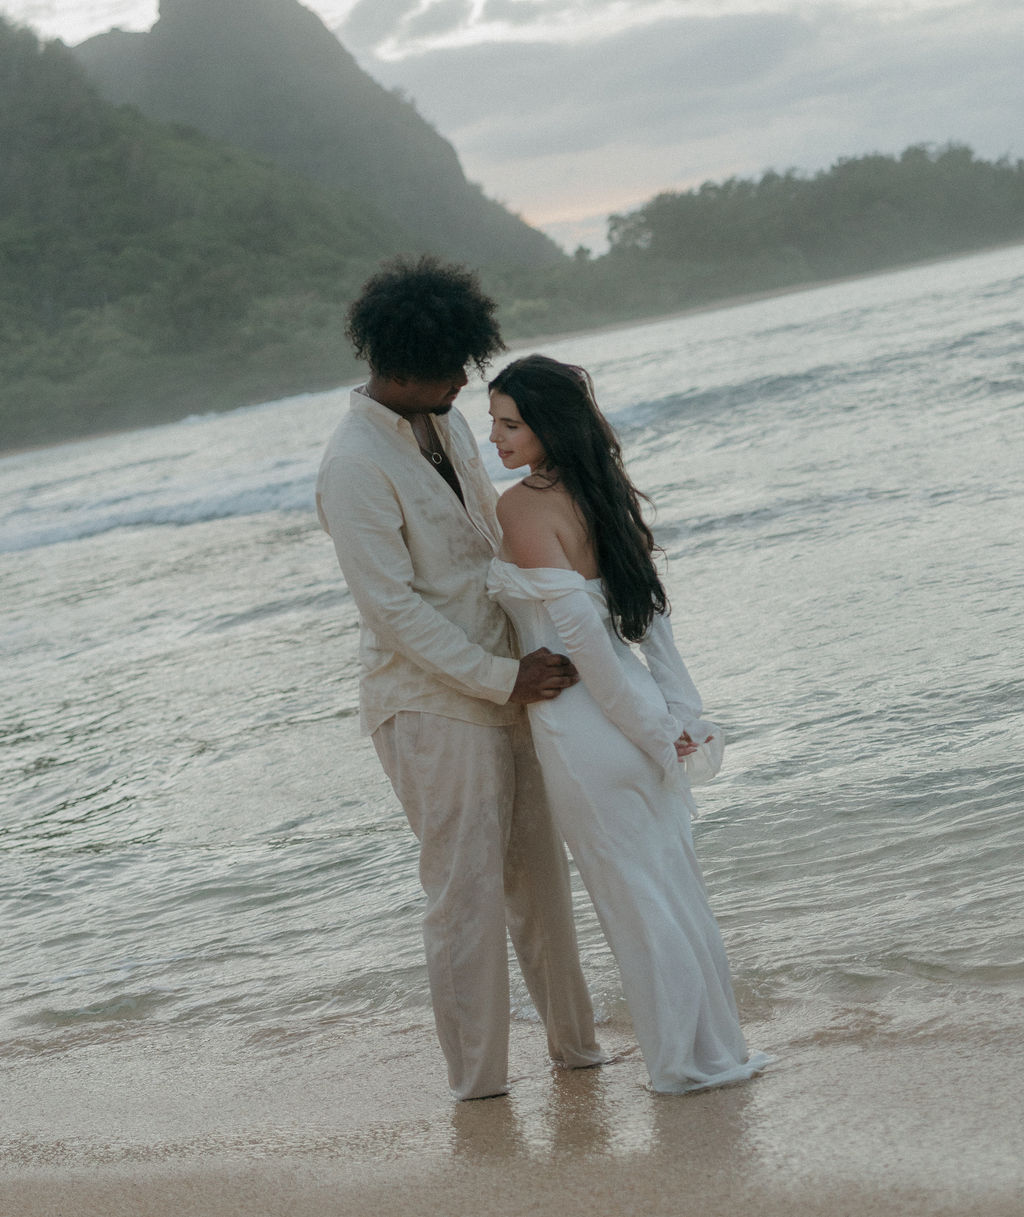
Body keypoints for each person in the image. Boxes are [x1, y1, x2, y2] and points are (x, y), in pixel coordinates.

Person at [315, 259, 603, 1101]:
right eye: (452, 370)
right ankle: (479, 1087)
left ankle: (578, 1053)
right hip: (430, 704)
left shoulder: (449, 428)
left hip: (512, 684)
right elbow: (393, 612)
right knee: (465, 895)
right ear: (401, 363)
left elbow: (489, 554)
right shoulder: (353, 464)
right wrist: (500, 677)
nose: (463, 384)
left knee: (539, 879)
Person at [485, 353, 773, 1093]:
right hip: (636, 714)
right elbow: (654, 627)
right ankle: (716, 1051)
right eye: (494, 422)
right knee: (675, 889)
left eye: (510, 423)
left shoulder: (520, 507)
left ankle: (681, 1063)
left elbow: (583, 642)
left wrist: (655, 730)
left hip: (584, 730)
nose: (496, 437)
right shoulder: (604, 493)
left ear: (549, 423)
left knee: (636, 903)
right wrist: (681, 716)